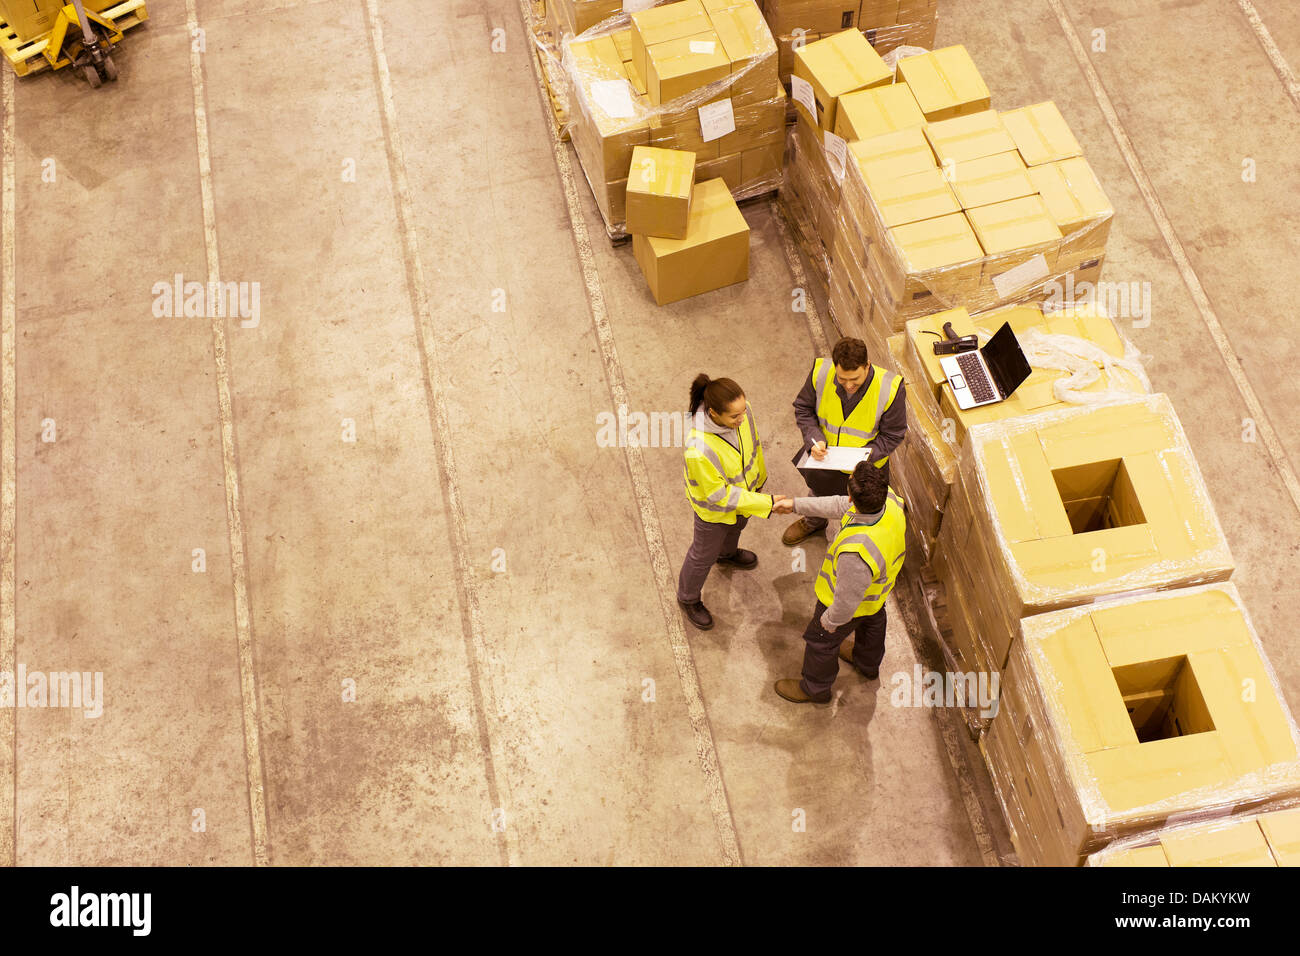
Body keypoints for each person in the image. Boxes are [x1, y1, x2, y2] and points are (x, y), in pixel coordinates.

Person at [771, 462, 906, 703]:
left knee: (820, 642)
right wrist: (795, 505)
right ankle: (867, 664)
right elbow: (837, 504)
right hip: (877, 593)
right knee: (873, 623)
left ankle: (815, 688)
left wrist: (831, 621)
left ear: (853, 499)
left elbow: (846, 601)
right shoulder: (890, 501)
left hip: (848, 602)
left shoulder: (856, 552)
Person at [677, 374, 788, 631]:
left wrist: (759, 478)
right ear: (714, 413)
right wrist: (764, 502)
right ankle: (688, 598)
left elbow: (754, 446)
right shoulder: (698, 449)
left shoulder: (744, 412)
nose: (741, 419)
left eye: (742, 413)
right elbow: (719, 496)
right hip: (714, 513)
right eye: (734, 417)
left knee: (736, 528)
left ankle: (726, 555)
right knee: (702, 556)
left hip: (746, 497)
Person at [783, 337, 907, 546]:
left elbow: (893, 434)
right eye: (842, 379)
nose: (849, 386)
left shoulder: (890, 389)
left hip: (865, 469)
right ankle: (814, 522)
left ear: (867, 366)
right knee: (818, 494)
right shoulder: (821, 373)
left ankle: (852, 541)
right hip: (825, 461)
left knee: (861, 511)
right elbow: (803, 408)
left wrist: (862, 459)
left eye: (855, 379)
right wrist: (814, 439)